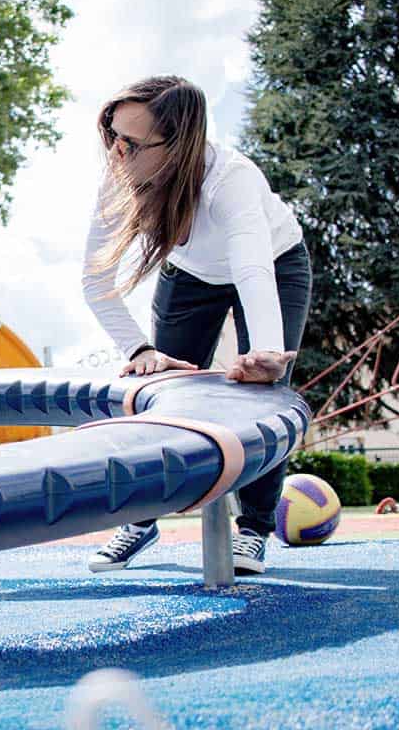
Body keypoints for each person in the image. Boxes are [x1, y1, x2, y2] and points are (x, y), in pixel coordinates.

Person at [81, 76, 312, 576]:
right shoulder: (118, 177)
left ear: (177, 146)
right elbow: (94, 281)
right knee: (162, 392)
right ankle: (141, 521)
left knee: (264, 396)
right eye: (111, 135)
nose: (117, 151)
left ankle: (253, 530)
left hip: (276, 262)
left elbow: (253, 268)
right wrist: (139, 348)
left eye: (133, 142)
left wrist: (267, 352)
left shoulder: (231, 180)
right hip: (189, 276)